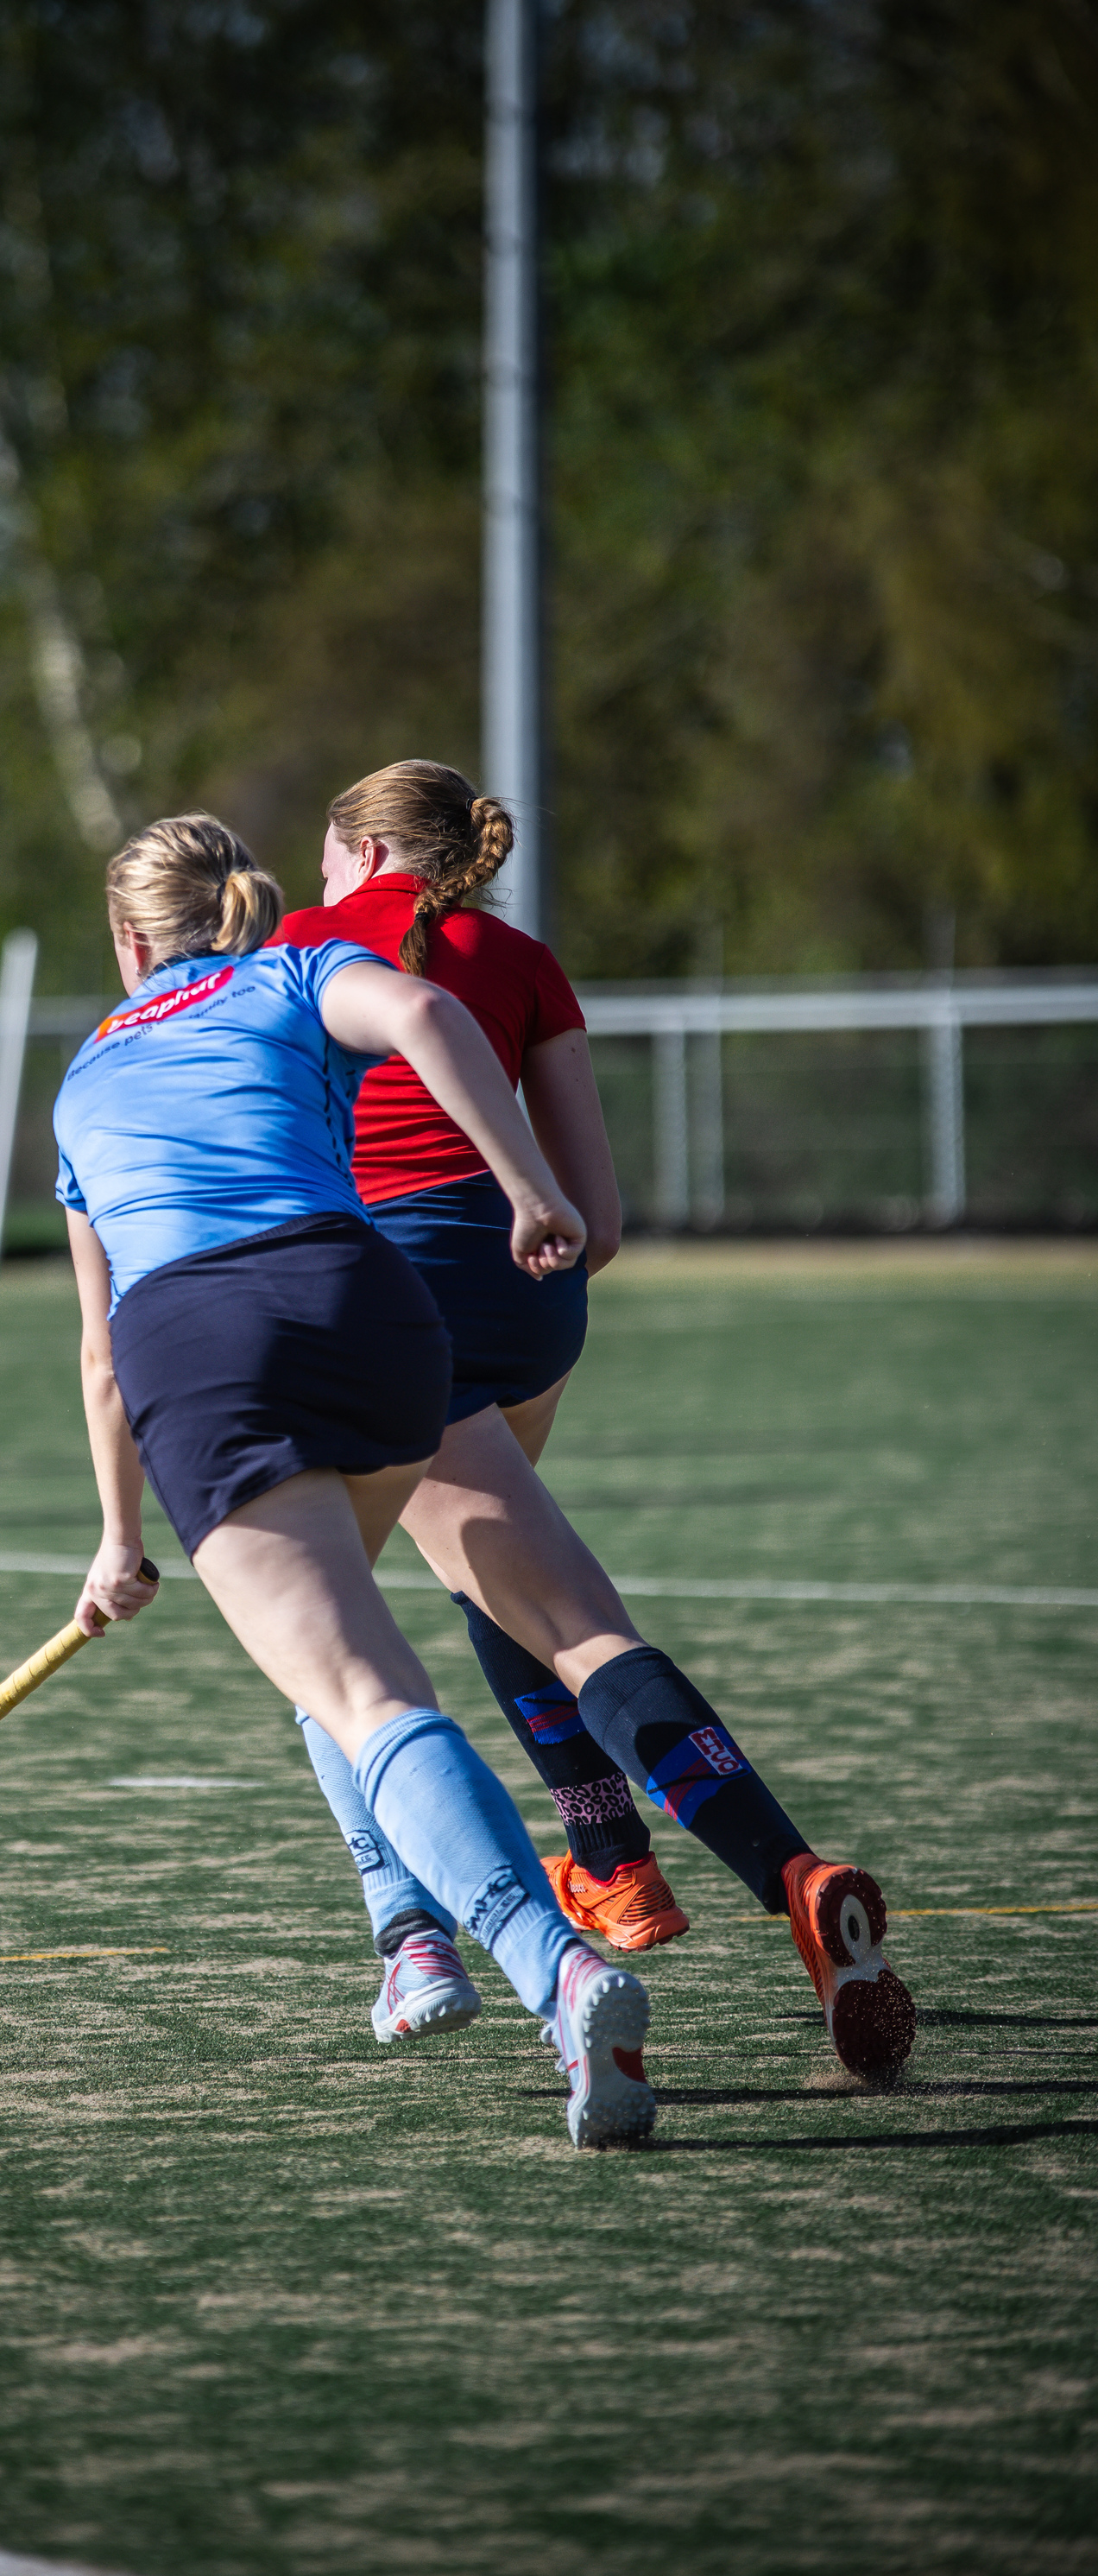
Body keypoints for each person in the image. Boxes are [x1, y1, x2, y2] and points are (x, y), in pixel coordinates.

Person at [274, 761, 916, 2083]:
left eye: (328, 854)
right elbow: (600, 1223)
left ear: (357, 850)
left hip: (392, 1295)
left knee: (504, 1627)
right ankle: (620, 1866)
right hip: (531, 1299)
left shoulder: (295, 948)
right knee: (504, 1593)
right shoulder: (523, 959)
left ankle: (770, 1876)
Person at [55, 811, 656, 2150]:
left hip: (205, 1347)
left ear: (127, 936)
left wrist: (115, 1541)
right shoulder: (289, 972)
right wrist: (526, 1191)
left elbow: (102, 1353)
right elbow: (435, 1023)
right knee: (345, 1654)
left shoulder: (87, 1071)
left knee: (356, 1685)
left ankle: (551, 1972)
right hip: (373, 1314)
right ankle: (408, 1936)